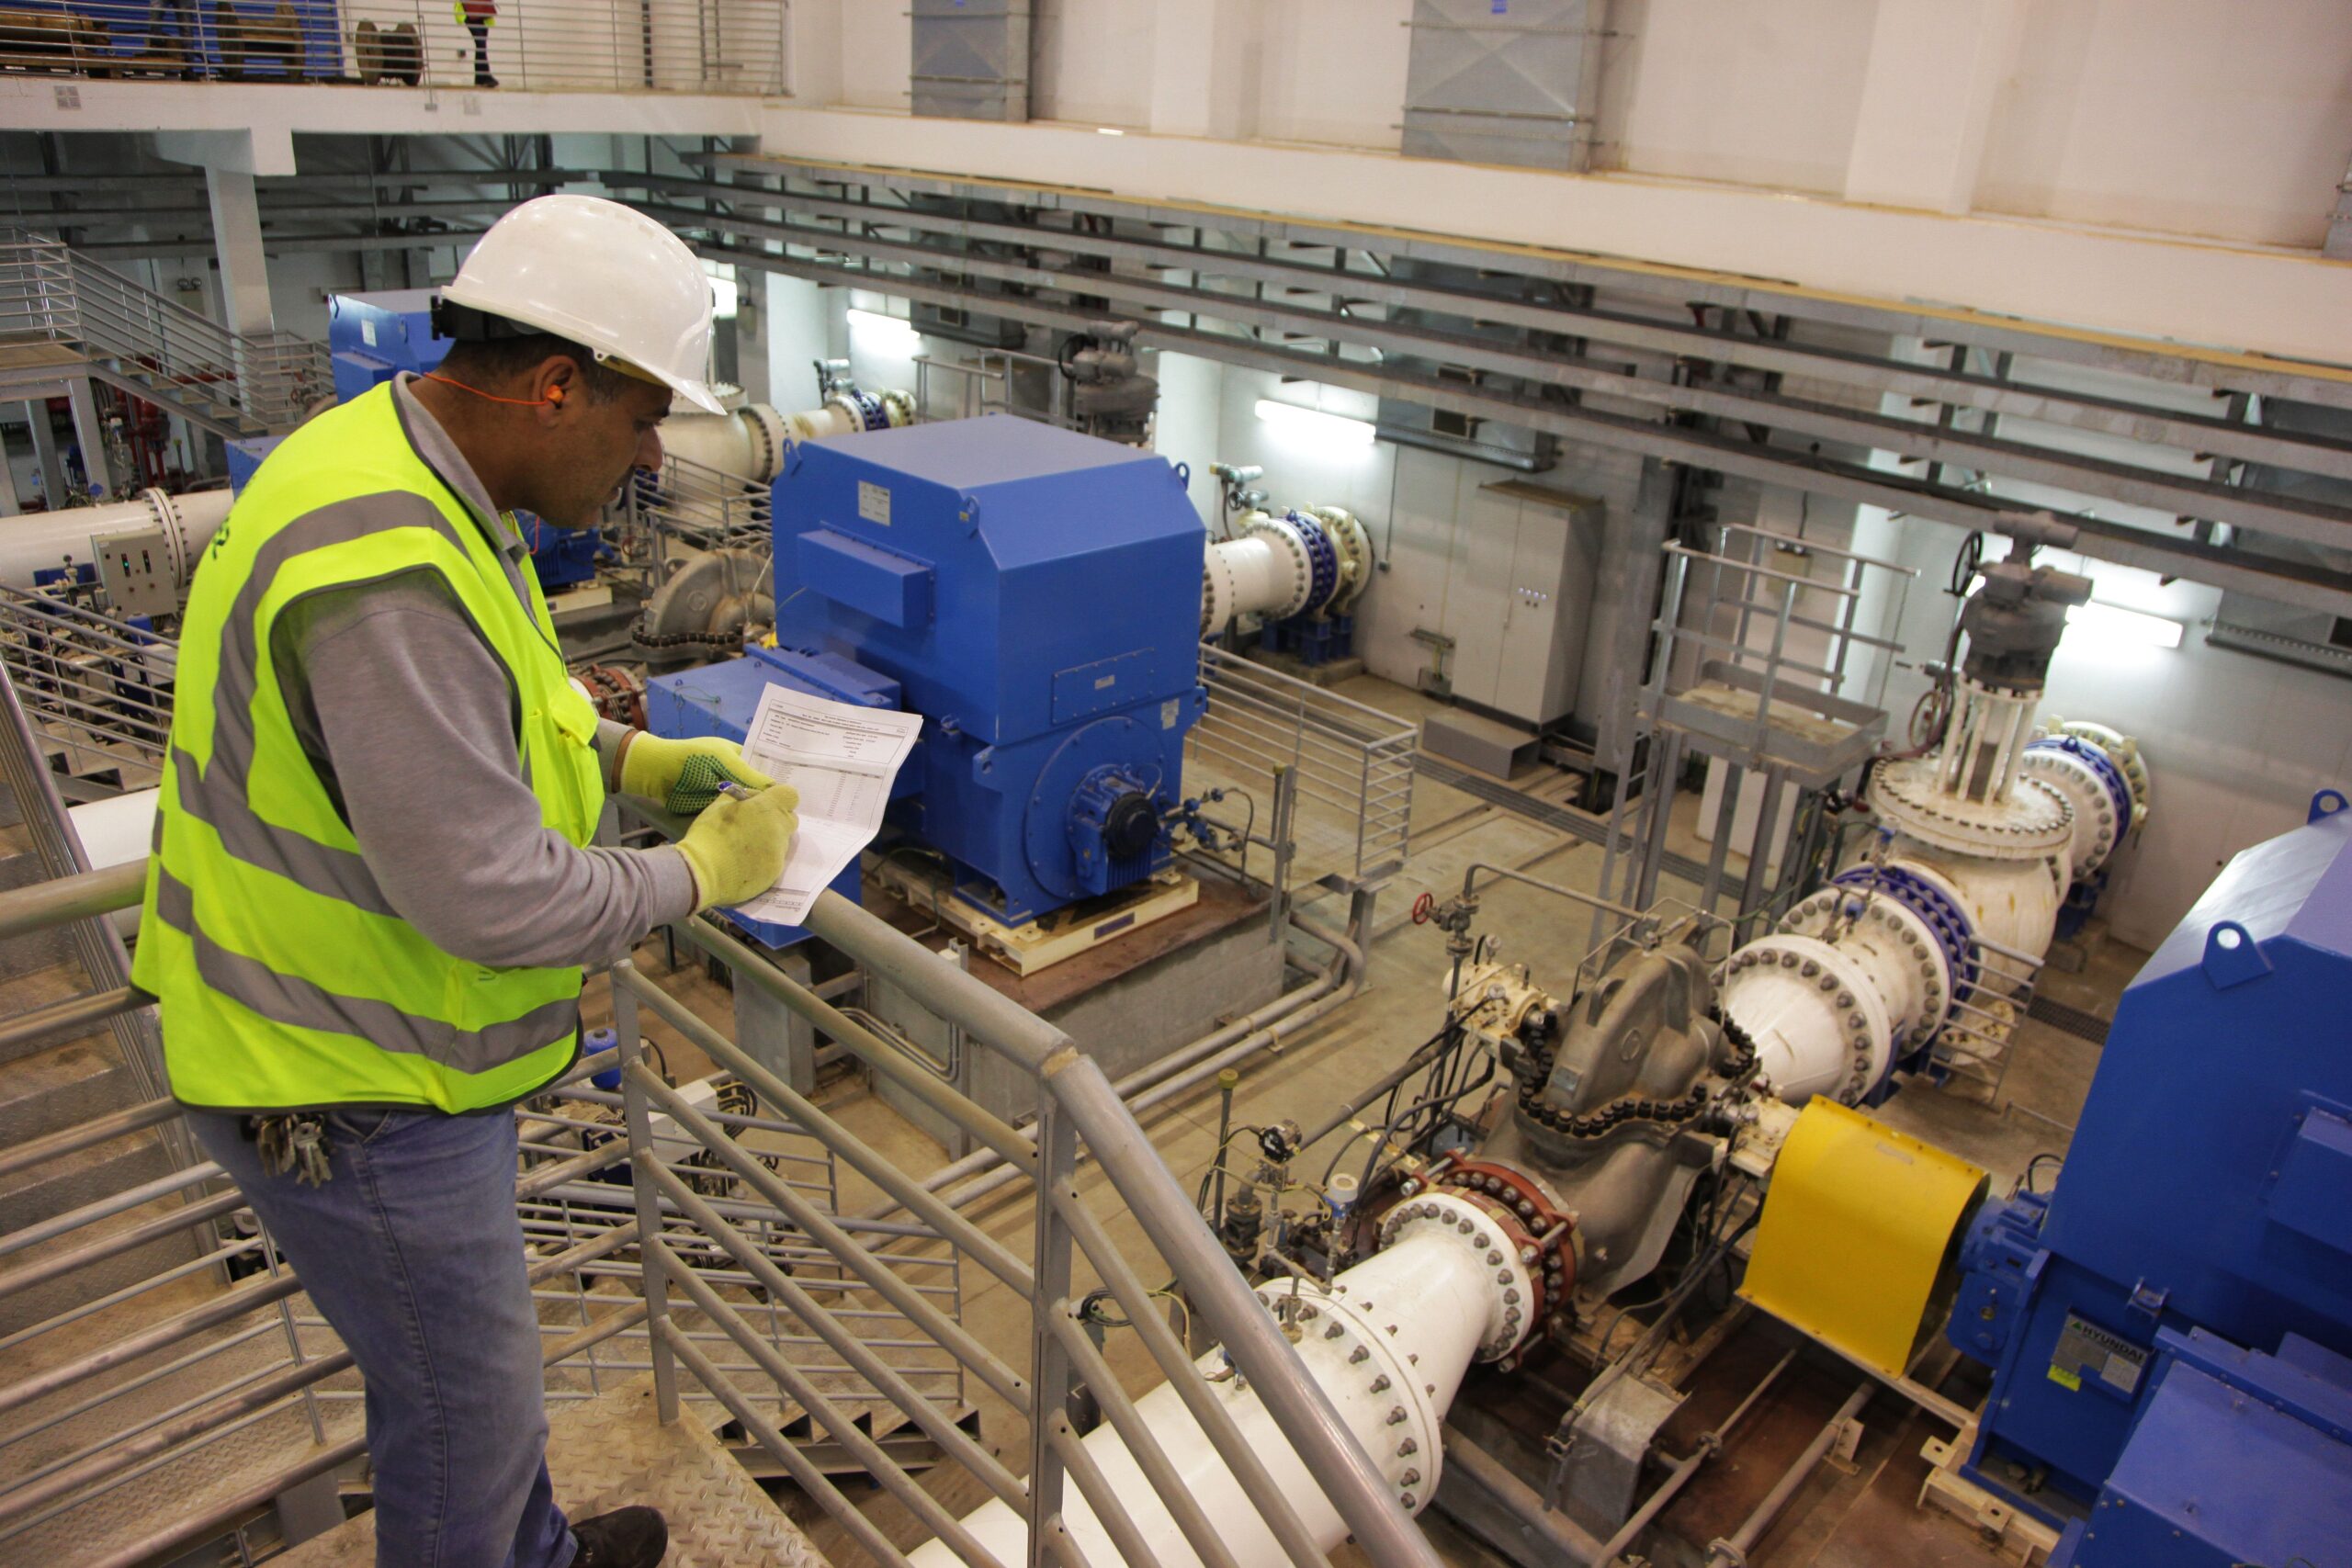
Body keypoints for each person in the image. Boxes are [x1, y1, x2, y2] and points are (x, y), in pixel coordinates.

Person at [131, 194, 798, 1568]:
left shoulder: (400, 467)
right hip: (348, 1078)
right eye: (642, 415)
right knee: (464, 1416)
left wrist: (629, 758)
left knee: (465, 1397)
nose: (654, 453)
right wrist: (694, 875)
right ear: (555, 386)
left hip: (363, 1049)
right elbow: (492, 897)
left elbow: (491, 714)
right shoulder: (385, 568)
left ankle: (533, 1548)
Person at [458, 0, 496, 87]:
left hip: (483, 12)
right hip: (468, 11)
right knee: (481, 43)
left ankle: (479, 78)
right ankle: (486, 76)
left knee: (481, 46)